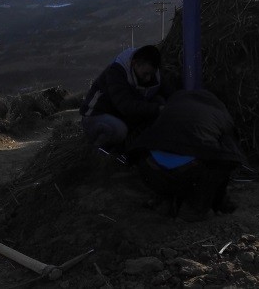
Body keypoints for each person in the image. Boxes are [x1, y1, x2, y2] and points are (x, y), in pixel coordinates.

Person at [128, 89, 243, 222]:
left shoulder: (170, 107)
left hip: (151, 168)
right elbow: (231, 156)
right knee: (221, 162)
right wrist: (219, 202)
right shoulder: (221, 115)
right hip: (189, 172)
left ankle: (164, 199)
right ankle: (193, 209)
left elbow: (141, 143)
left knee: (164, 156)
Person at [80, 44, 168, 154]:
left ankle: (134, 146)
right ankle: (98, 152)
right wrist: (158, 109)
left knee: (159, 101)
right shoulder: (116, 72)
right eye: (145, 74)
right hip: (95, 115)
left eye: (152, 74)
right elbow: (126, 106)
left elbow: (167, 92)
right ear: (134, 63)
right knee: (119, 130)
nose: (148, 78)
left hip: (120, 115)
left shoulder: (154, 75)